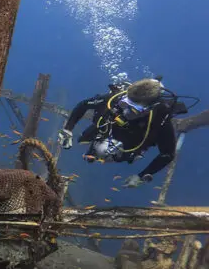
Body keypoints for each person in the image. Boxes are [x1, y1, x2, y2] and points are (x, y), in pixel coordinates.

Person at [57, 78, 186, 188]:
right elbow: (83, 105)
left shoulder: (160, 120)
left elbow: (167, 154)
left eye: (134, 110)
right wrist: (67, 129)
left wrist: (140, 177)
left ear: (149, 109)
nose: (125, 112)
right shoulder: (115, 99)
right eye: (125, 105)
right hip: (104, 133)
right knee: (88, 139)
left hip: (129, 148)